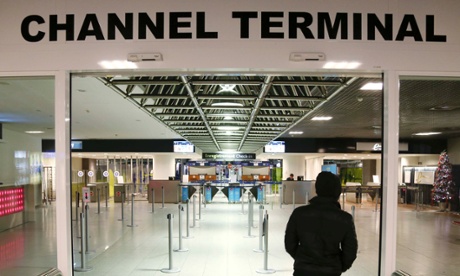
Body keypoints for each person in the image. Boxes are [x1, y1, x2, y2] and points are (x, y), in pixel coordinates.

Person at [284, 171, 358, 276]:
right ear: (337, 191)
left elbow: (289, 243)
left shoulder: (299, 213)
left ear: (317, 189)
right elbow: (350, 251)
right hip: (331, 271)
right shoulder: (344, 218)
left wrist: (302, 259)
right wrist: (337, 266)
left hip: (302, 270)